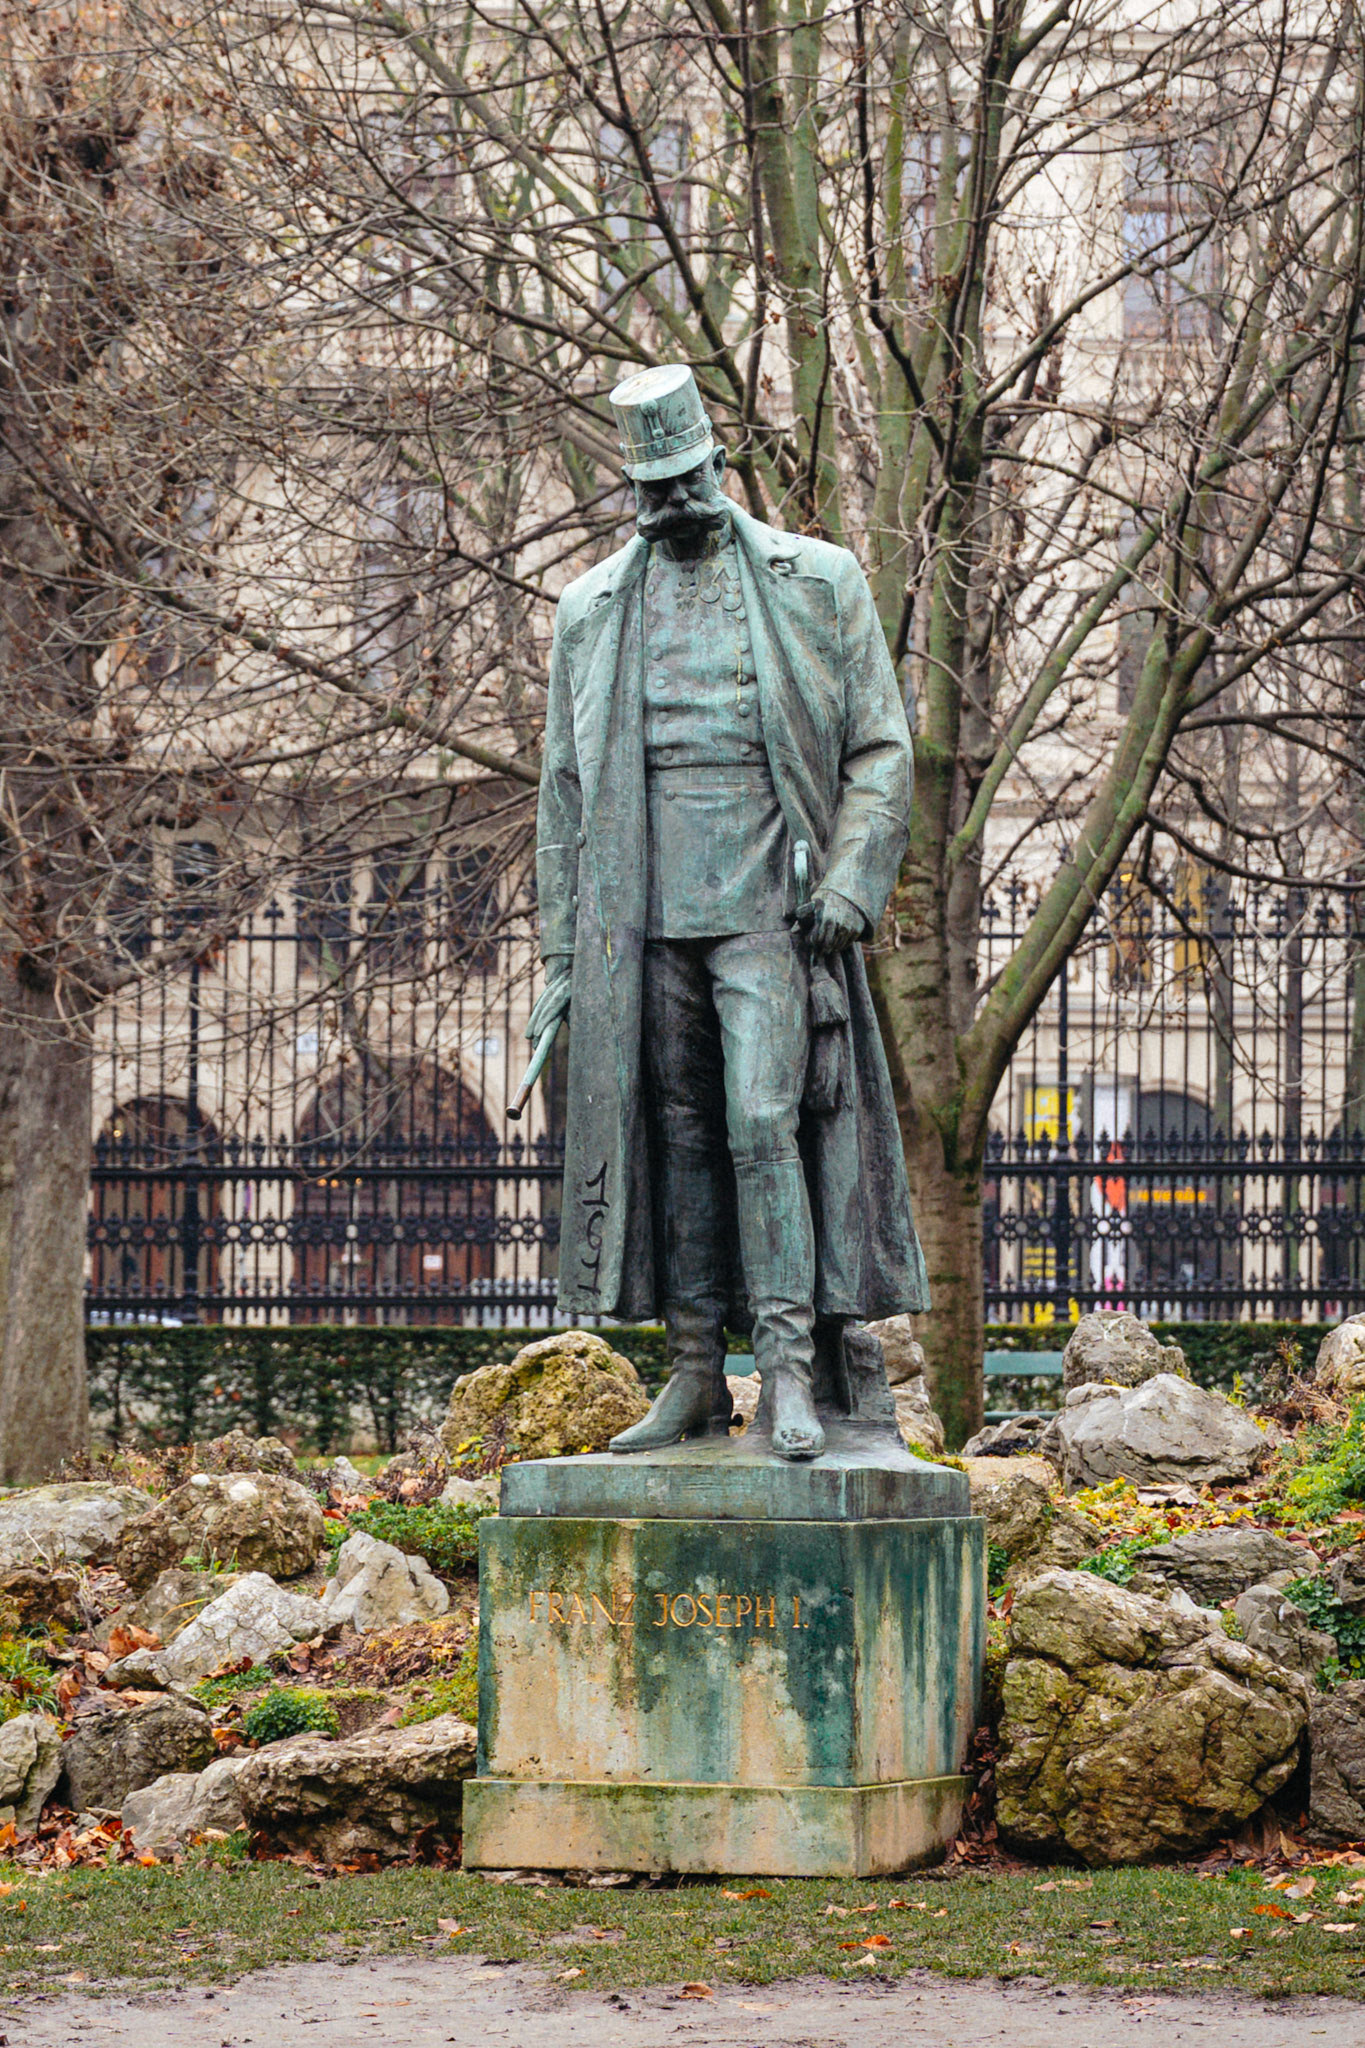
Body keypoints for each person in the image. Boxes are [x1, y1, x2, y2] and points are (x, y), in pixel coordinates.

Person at [530, 363, 927, 1461]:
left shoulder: (819, 580)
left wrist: (848, 883)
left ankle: (788, 1369)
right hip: (640, 920)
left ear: (717, 463)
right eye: (651, 490)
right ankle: (696, 1371)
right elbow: (562, 797)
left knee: (763, 1124)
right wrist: (562, 960)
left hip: (772, 912)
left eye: (686, 480)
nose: (672, 504)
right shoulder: (588, 611)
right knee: (680, 1142)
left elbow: (881, 750)